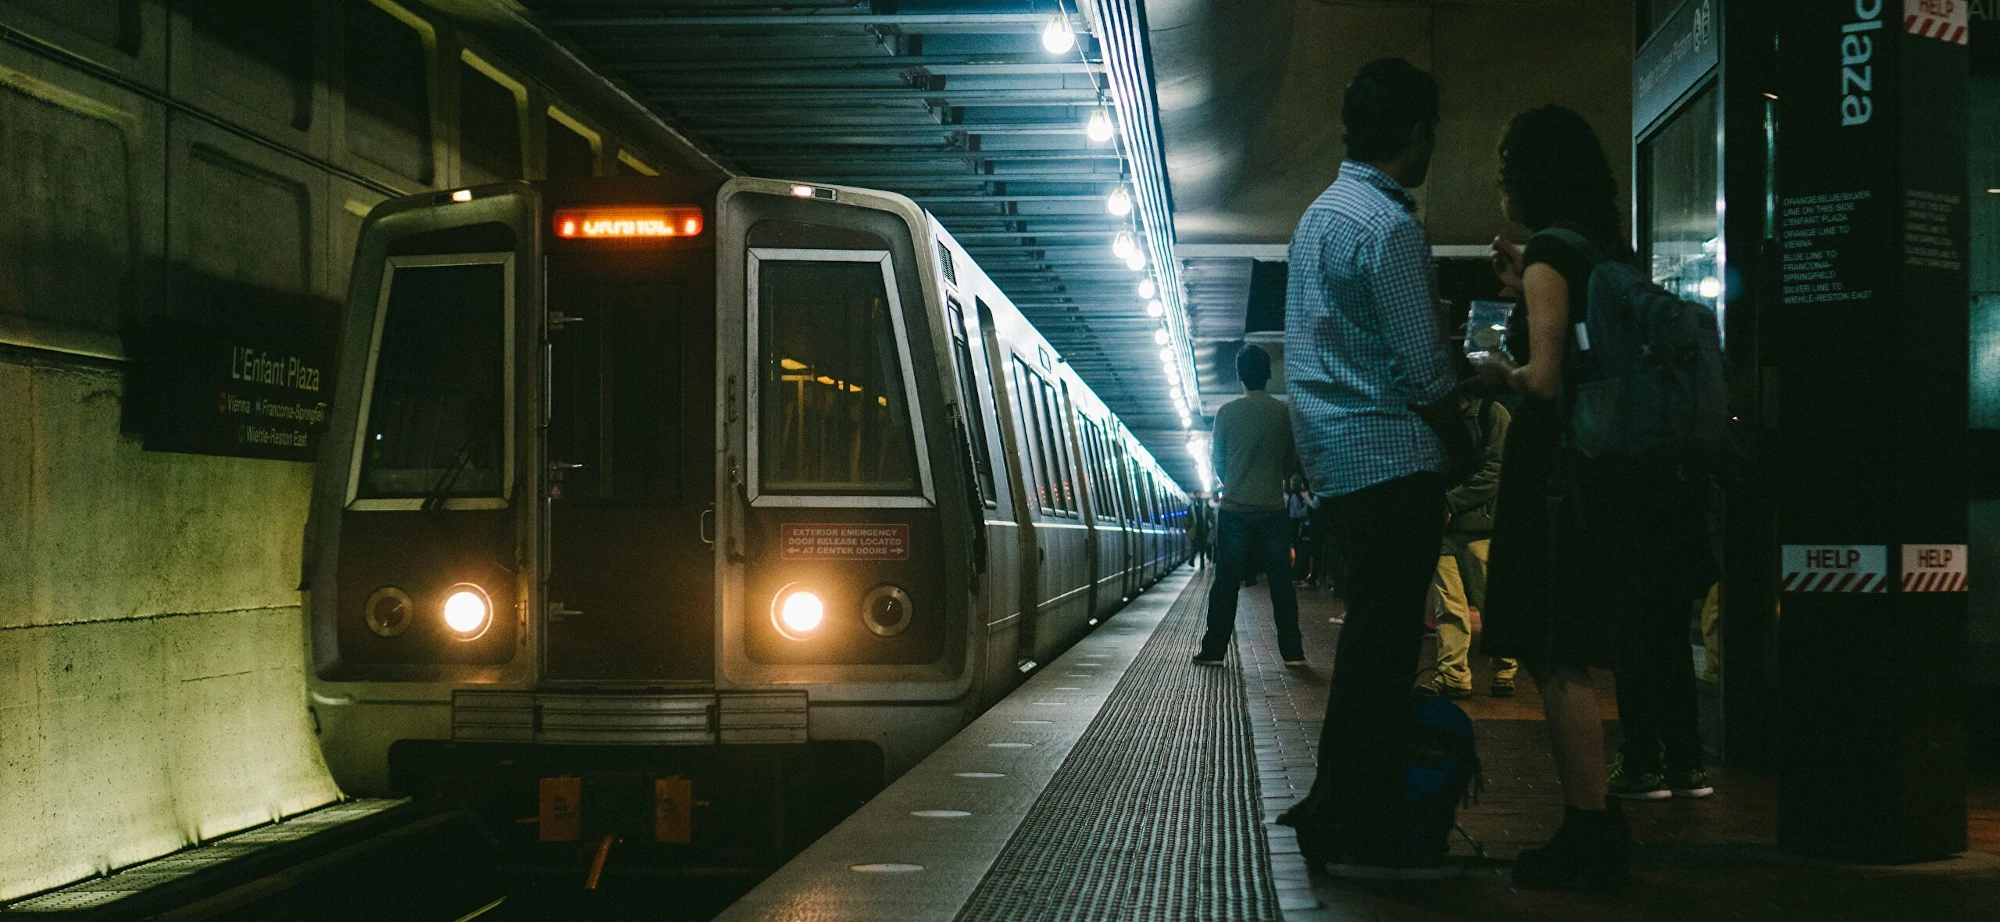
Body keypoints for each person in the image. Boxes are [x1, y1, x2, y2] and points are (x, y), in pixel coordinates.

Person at [1473, 105, 1717, 890]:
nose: (1501, 175)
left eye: (1509, 160)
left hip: (1555, 481)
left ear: (1536, 173)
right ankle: (1594, 821)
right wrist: (1528, 288)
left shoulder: (1551, 253)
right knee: (1578, 647)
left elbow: (1543, 380)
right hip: (1610, 480)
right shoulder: (1607, 250)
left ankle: (1589, 828)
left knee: (1558, 655)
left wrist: (1491, 371)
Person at [1274, 57, 1459, 880]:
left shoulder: (1319, 216)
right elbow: (1425, 372)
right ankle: (1358, 829)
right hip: (1393, 460)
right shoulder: (1389, 229)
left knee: (1368, 652)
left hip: (1339, 464)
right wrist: (1466, 415)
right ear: (1415, 134)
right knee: (1385, 659)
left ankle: (1331, 807)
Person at [1193, 344, 1305, 667]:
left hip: (1235, 511)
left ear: (1239, 376)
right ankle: (1293, 652)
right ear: (1269, 375)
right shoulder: (1284, 414)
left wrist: (1237, 481)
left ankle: (1214, 650)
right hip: (1272, 509)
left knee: (1227, 582)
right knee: (1281, 582)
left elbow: (1219, 462)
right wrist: (1272, 480)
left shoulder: (1226, 413)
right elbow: (1290, 463)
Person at [1420, 391, 1520, 699]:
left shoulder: (1492, 412)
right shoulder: (1441, 416)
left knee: (1490, 599)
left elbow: (1496, 470)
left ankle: (1504, 667)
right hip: (1448, 525)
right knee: (1449, 603)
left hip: (1479, 525)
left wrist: (1449, 500)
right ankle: (1454, 674)